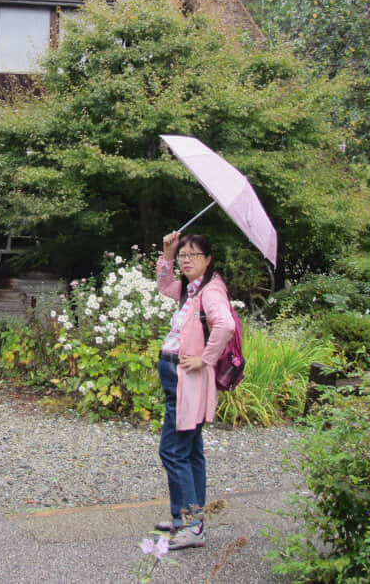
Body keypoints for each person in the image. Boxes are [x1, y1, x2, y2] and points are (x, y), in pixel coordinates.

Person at [154, 230, 235, 550]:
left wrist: (205, 358)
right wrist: (168, 254)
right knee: (191, 450)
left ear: (208, 259)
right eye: (184, 256)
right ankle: (183, 518)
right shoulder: (191, 288)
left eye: (193, 256)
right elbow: (164, 286)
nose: (187, 261)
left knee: (172, 451)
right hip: (178, 378)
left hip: (186, 378)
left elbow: (225, 325)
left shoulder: (211, 292)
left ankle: (192, 524)